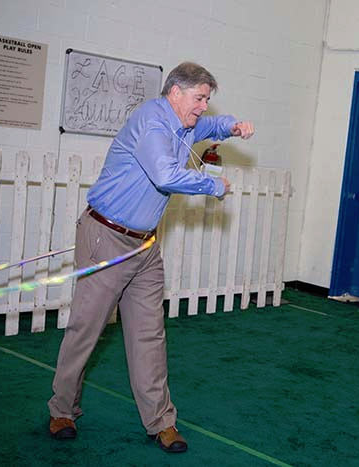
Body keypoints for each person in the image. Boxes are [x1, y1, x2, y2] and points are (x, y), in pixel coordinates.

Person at [47, 62, 254, 453]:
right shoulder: (152, 123)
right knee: (85, 329)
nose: (203, 107)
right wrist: (214, 184)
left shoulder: (186, 122)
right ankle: (62, 410)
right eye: (199, 98)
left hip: (144, 246)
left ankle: (161, 422)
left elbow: (210, 127)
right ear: (175, 92)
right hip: (106, 237)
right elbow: (164, 175)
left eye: (207, 100)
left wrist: (233, 125)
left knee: (149, 335)